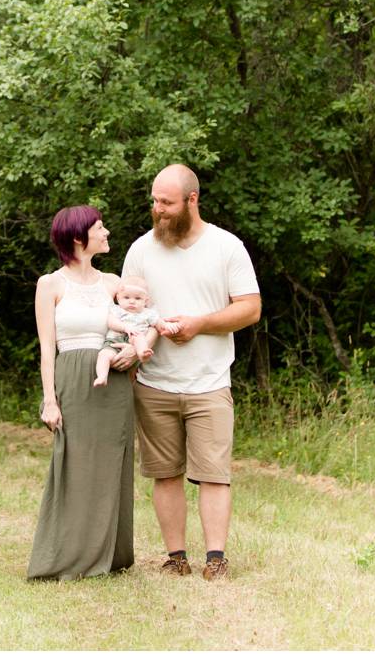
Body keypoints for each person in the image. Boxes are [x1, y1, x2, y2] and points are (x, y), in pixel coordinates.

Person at [118, 164, 261, 581]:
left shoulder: (226, 247)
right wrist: (141, 341)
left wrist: (199, 323)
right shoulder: (140, 250)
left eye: (166, 202)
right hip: (155, 381)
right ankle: (175, 556)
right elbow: (126, 311)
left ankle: (215, 558)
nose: (158, 210)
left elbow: (250, 308)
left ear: (192, 200)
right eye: (154, 201)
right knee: (165, 473)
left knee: (214, 474)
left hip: (210, 383)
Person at [26, 204, 135, 581]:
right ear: (78, 238)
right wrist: (50, 400)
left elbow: (144, 319)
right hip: (72, 381)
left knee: (110, 465)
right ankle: (67, 556)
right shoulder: (50, 284)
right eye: (100, 228)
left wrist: (134, 350)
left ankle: (109, 555)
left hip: (114, 385)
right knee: (73, 464)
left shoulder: (112, 283)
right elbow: (46, 349)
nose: (107, 233)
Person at [93, 277, 160, 388]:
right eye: (126, 297)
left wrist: (167, 325)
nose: (132, 301)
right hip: (115, 339)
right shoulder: (117, 310)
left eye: (137, 298)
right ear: (118, 298)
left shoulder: (148, 313)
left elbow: (158, 323)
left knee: (140, 337)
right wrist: (125, 327)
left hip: (135, 341)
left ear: (145, 301)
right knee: (104, 355)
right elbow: (111, 322)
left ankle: (143, 353)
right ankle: (102, 376)